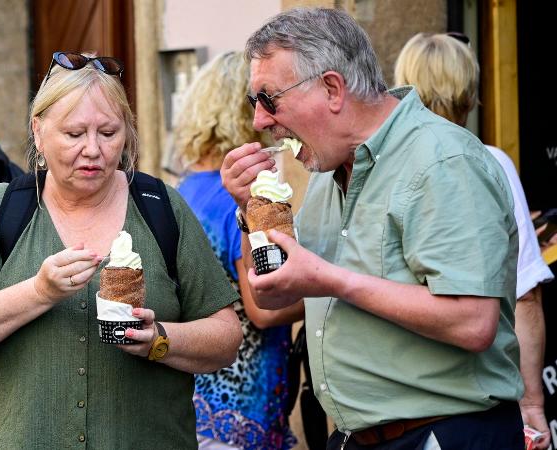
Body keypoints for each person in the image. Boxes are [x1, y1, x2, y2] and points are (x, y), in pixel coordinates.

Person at [221, 8, 524, 449]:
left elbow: (473, 321)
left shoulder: (442, 161)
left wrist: (331, 280)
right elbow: (269, 301)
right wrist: (250, 210)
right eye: (255, 103)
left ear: (331, 88)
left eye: (269, 99)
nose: (260, 122)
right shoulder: (328, 173)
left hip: (444, 433)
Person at [0, 51, 243, 448]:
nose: (93, 149)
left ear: (127, 133)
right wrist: (38, 292)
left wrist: (159, 339)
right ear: (38, 132)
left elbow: (226, 338)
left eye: (108, 133)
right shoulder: (4, 209)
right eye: (75, 134)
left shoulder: (162, 207)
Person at [394, 32, 555, 449]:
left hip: (395, 414)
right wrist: (532, 404)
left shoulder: (380, 168)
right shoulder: (489, 162)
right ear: (468, 90)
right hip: (473, 408)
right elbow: (525, 295)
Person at [173, 51, 302, 450]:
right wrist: (344, 285)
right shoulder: (239, 198)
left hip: (197, 402)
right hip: (243, 406)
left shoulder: (186, 191)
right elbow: (264, 310)